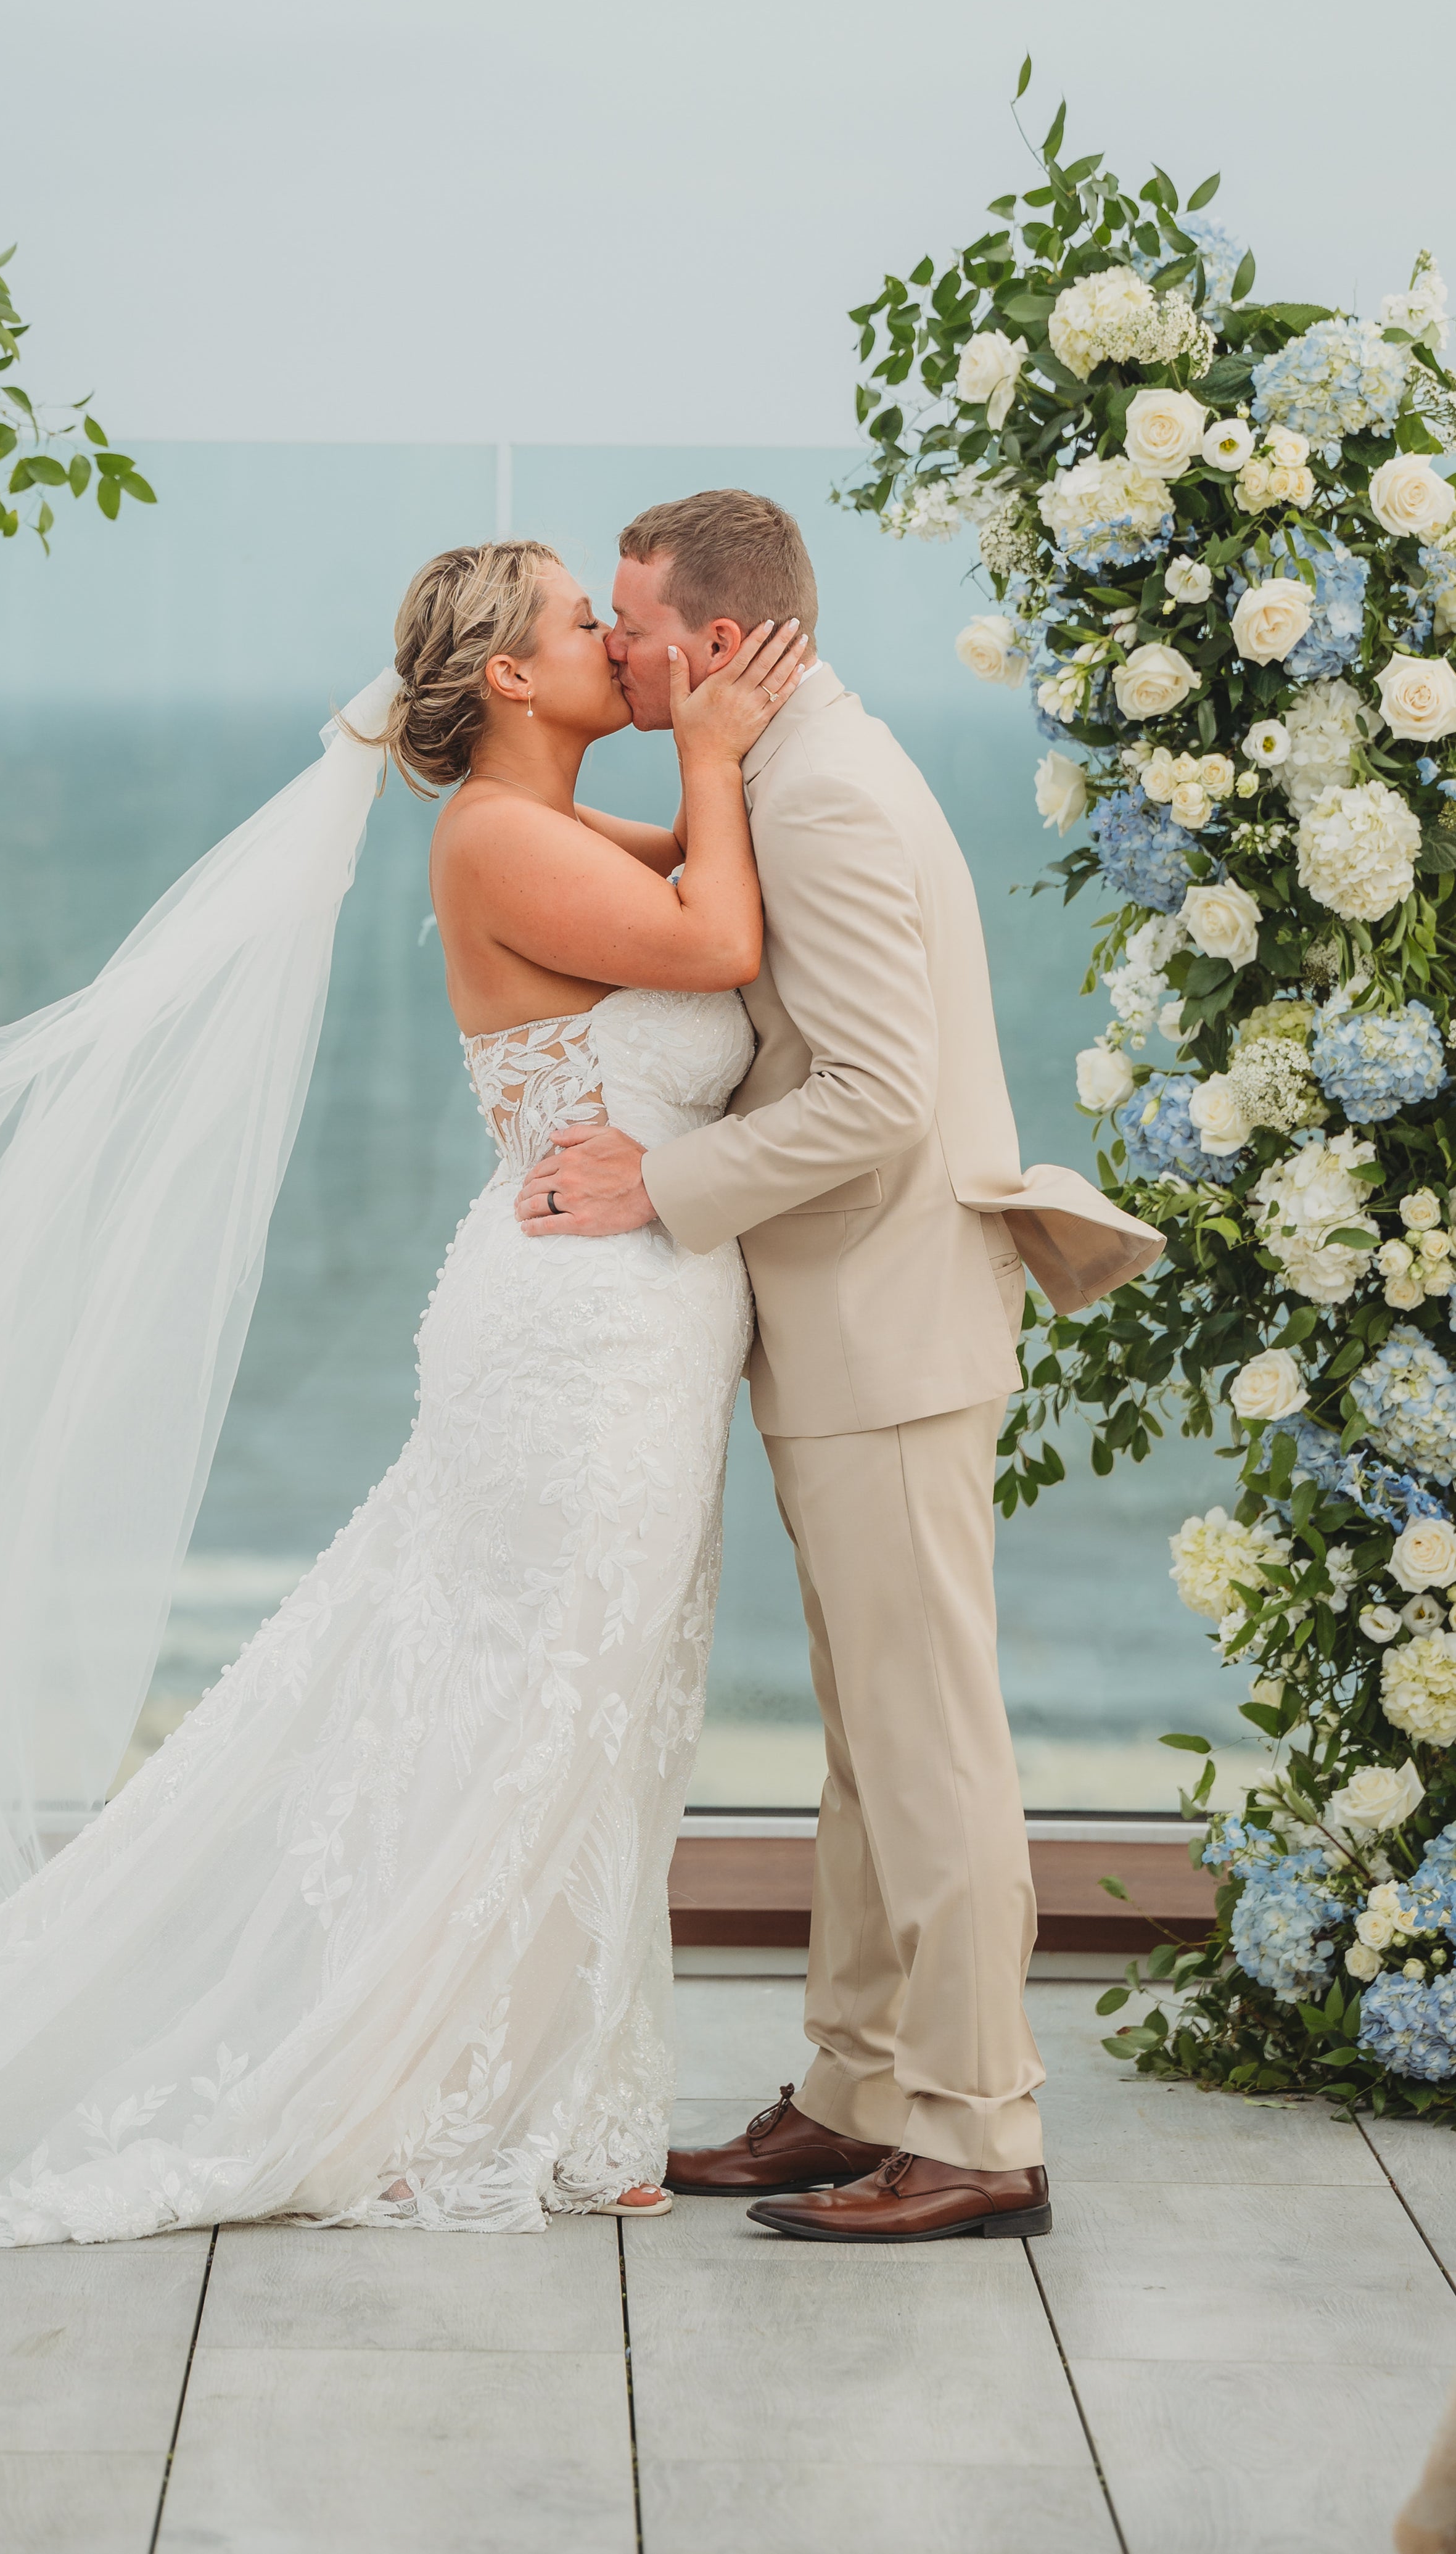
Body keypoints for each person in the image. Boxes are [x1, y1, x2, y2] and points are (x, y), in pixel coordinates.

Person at [0, 539, 808, 2264]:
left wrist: (749, 768)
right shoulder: (492, 836)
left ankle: (541, 2087)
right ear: (508, 677)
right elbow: (718, 932)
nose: (607, 648)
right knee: (531, 1713)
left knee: (586, 1713)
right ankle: (430, 2093)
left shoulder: (544, 829)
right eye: (583, 623)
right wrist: (715, 749)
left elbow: (719, 886)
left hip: (627, 1333)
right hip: (569, 1339)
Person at [517, 489, 1159, 2247]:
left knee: (928, 1742)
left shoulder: (830, 800)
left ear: (718, 642)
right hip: (855, 1327)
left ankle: (980, 2127)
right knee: (874, 1746)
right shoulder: (785, 770)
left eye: (635, 628)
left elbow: (875, 1097)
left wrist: (664, 1181)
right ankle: (859, 2091)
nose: (626, 655)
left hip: (890, 1329)